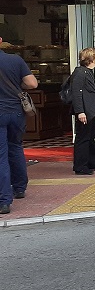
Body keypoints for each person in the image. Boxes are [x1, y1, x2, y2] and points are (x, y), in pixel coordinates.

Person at [0, 36, 36, 214]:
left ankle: (4, 201)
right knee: (15, 147)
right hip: (16, 111)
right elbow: (32, 83)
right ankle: (20, 188)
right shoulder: (15, 59)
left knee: (1, 156)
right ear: (0, 41)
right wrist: (17, 84)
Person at [70, 47, 95, 175]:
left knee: (90, 137)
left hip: (91, 110)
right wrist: (80, 111)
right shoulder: (80, 73)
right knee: (83, 138)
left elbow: (86, 90)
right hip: (86, 111)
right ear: (91, 58)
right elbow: (76, 93)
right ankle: (80, 166)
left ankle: (93, 162)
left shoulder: (87, 72)